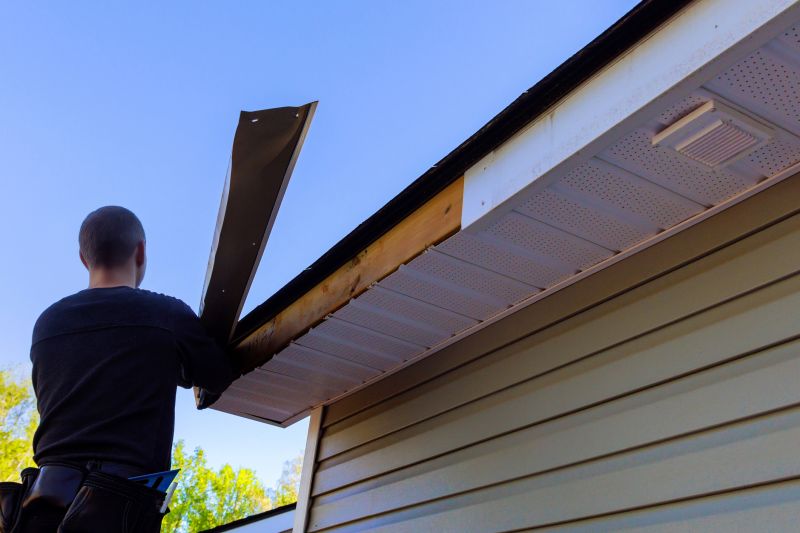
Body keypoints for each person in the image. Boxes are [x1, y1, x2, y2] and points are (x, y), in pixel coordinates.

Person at [11, 206, 237, 533]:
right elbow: (218, 374)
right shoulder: (165, 315)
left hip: (42, 506)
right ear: (141, 251)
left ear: (83, 258)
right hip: (118, 508)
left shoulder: (47, 323)